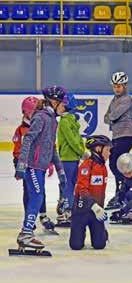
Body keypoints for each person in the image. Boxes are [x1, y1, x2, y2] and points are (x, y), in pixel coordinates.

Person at [15, 86, 68, 250]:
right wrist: (22, 164)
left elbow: (52, 147)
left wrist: (60, 170)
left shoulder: (53, 121)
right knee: (37, 197)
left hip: (41, 168)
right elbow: (28, 140)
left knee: (37, 197)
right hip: (32, 166)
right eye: (63, 104)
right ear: (54, 102)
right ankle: (25, 233)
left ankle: (26, 233)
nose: (65, 108)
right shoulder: (41, 117)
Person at [12, 96, 55, 233]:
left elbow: (48, 146)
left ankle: (42, 215)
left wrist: (49, 162)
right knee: (29, 189)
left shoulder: (43, 123)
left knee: (40, 188)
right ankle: (29, 218)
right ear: (25, 112)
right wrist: (21, 165)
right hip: (24, 163)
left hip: (39, 162)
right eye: (32, 111)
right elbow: (19, 149)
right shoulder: (21, 130)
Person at [69, 135, 112, 250]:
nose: (109, 153)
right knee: (76, 246)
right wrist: (95, 207)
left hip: (96, 212)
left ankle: (102, 233)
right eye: (107, 150)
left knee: (99, 245)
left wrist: (99, 208)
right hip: (81, 211)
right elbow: (82, 189)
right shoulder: (86, 166)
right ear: (98, 149)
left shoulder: (103, 167)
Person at [104, 72, 132, 210]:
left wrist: (112, 117)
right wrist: (111, 117)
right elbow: (106, 118)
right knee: (116, 164)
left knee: (115, 164)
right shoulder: (114, 100)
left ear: (124, 86)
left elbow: (113, 115)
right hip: (118, 136)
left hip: (126, 135)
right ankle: (122, 192)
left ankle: (123, 192)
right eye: (115, 86)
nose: (117, 89)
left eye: (119, 86)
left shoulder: (127, 99)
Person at [57, 94, 85, 227]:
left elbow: (74, 140)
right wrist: (81, 151)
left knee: (69, 185)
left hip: (69, 157)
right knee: (69, 185)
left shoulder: (66, 121)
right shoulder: (69, 121)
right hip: (71, 157)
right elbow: (74, 140)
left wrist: (81, 151)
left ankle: (68, 209)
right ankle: (67, 210)